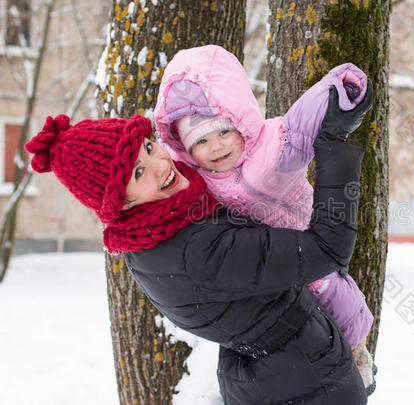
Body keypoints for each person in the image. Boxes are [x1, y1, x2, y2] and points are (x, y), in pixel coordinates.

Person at [24, 80, 373, 404]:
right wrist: (333, 145)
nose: (160, 165)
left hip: (287, 377)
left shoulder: (153, 235)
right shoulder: (196, 251)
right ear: (121, 203)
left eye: (149, 148)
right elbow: (326, 249)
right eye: (138, 173)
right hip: (308, 386)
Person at [153, 45, 375, 390]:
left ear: (241, 119)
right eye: (202, 141)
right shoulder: (198, 180)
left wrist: (336, 90)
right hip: (273, 264)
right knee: (300, 318)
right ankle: (333, 366)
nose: (216, 147)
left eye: (224, 131)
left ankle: (358, 356)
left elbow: (301, 123)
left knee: (339, 299)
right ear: (185, 148)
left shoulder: (271, 146)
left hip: (312, 236)